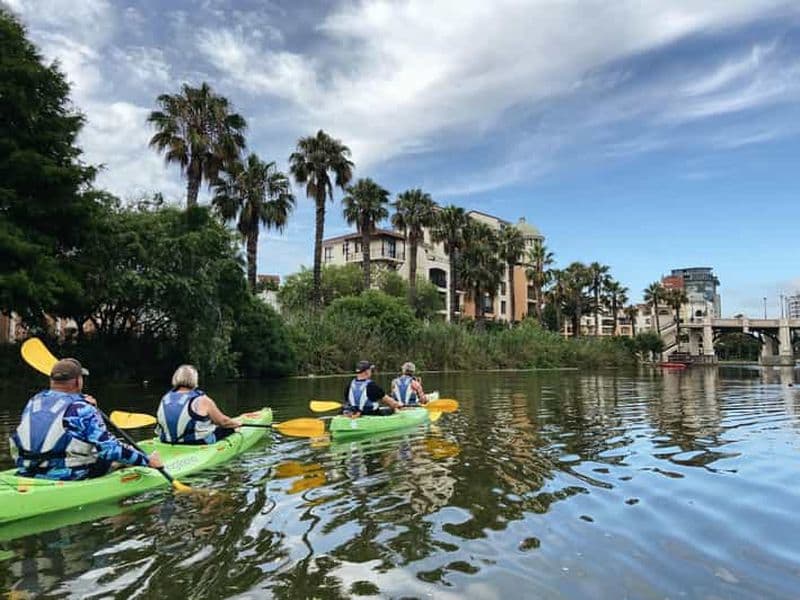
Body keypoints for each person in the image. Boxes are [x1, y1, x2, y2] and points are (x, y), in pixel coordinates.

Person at [10, 358, 163, 481]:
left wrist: (85, 403)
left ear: (52, 381)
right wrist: (146, 461)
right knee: (119, 457)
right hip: (68, 475)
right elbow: (111, 450)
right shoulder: (82, 408)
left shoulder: (34, 401)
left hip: (27, 469)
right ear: (78, 381)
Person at [156, 364, 242, 444]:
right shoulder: (202, 400)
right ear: (195, 379)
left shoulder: (165, 398)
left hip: (166, 441)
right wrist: (236, 424)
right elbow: (223, 422)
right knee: (229, 428)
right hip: (196, 442)